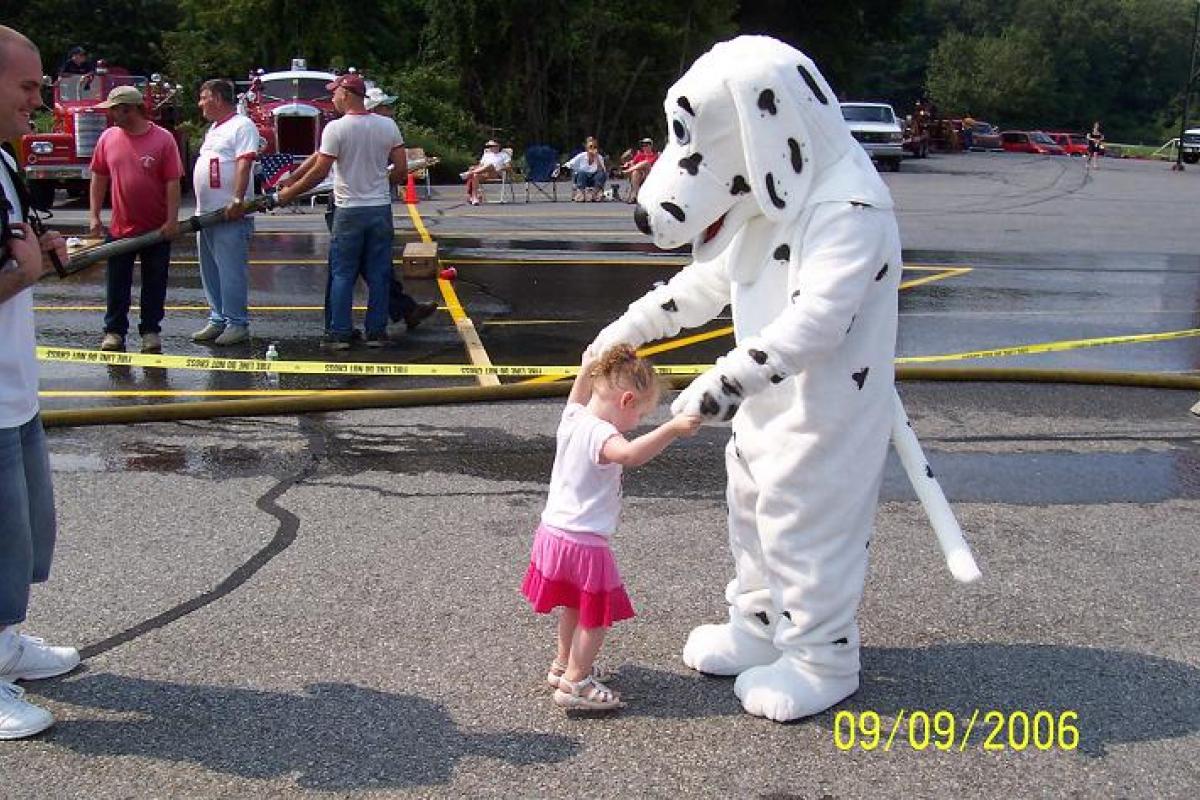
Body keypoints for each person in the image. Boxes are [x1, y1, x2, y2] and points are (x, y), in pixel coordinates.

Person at [521, 344, 702, 711]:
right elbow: (631, 455)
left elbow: (578, 392)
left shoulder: (573, 416)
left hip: (552, 533)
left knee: (573, 604)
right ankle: (576, 683)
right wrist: (670, 429)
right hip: (584, 543)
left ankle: (563, 665)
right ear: (627, 400)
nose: (638, 423)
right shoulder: (603, 435)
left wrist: (585, 368)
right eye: (641, 414)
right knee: (595, 616)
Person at [0, 24, 79, 741]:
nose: (41, 102)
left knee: (22, 538)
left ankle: (4, 644)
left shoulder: (1, 159)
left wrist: (39, 251)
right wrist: (23, 268)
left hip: (14, 391)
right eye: (27, 87)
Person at [273, 73, 435, 348]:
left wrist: (288, 194)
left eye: (334, 93)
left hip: (348, 209)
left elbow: (320, 170)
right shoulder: (388, 126)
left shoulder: (336, 129)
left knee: (342, 273)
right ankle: (376, 332)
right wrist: (380, 184)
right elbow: (401, 168)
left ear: (346, 94)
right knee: (379, 273)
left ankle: (340, 332)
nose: (332, 98)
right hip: (379, 208)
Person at [88, 84, 183, 354]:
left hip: (156, 228)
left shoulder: (163, 139)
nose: (111, 115)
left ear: (130, 109)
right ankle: (114, 331)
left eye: (115, 110)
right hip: (120, 228)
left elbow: (172, 182)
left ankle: (151, 331)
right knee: (117, 283)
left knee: (155, 282)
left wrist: (172, 220)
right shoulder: (108, 138)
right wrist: (94, 215)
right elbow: (99, 177)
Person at [190, 79, 257, 346]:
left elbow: (244, 163)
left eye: (203, 97)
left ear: (217, 98)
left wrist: (237, 198)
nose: (200, 103)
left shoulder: (242, 125)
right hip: (206, 214)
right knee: (210, 271)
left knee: (230, 270)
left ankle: (236, 323)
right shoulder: (214, 129)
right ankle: (217, 318)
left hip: (229, 214)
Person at [460, 139, 511, 206]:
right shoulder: (486, 155)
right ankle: (475, 198)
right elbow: (480, 166)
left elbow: (509, 167)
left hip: (496, 173)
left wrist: (500, 168)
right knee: (475, 175)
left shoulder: (504, 155)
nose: (490, 147)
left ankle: (469, 173)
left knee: (490, 165)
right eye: (489, 146)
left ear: (498, 146)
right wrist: (474, 167)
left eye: (492, 145)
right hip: (484, 174)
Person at [564, 137, 607, 202]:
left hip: (594, 179)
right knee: (581, 172)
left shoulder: (599, 157)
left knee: (601, 174)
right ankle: (581, 194)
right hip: (582, 178)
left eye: (594, 147)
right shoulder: (581, 156)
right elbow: (569, 164)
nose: (592, 148)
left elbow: (602, 170)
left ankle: (594, 194)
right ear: (587, 148)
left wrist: (596, 157)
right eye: (591, 146)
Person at [620, 137, 658, 203]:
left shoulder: (655, 155)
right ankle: (638, 196)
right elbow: (632, 163)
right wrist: (628, 163)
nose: (644, 147)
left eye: (646, 145)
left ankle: (626, 172)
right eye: (643, 145)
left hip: (650, 174)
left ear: (651, 146)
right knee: (635, 172)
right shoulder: (640, 155)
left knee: (646, 163)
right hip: (640, 174)